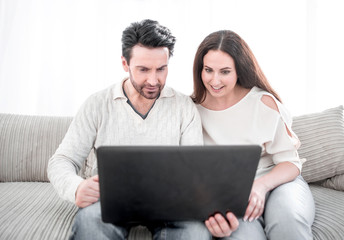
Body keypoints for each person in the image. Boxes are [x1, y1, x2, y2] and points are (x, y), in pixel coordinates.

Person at [47, 19, 211, 240]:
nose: (153, 80)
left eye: (161, 69)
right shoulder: (97, 104)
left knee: (196, 234)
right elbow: (62, 160)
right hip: (109, 201)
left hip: (169, 204)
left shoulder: (184, 107)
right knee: (90, 225)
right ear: (125, 64)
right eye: (143, 69)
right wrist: (76, 187)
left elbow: (195, 169)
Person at [192, 30, 315, 239]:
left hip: (278, 181)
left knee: (288, 220)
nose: (214, 80)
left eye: (224, 71)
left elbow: (291, 163)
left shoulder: (263, 103)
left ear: (239, 70)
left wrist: (260, 186)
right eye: (208, 70)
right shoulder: (191, 110)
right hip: (234, 193)